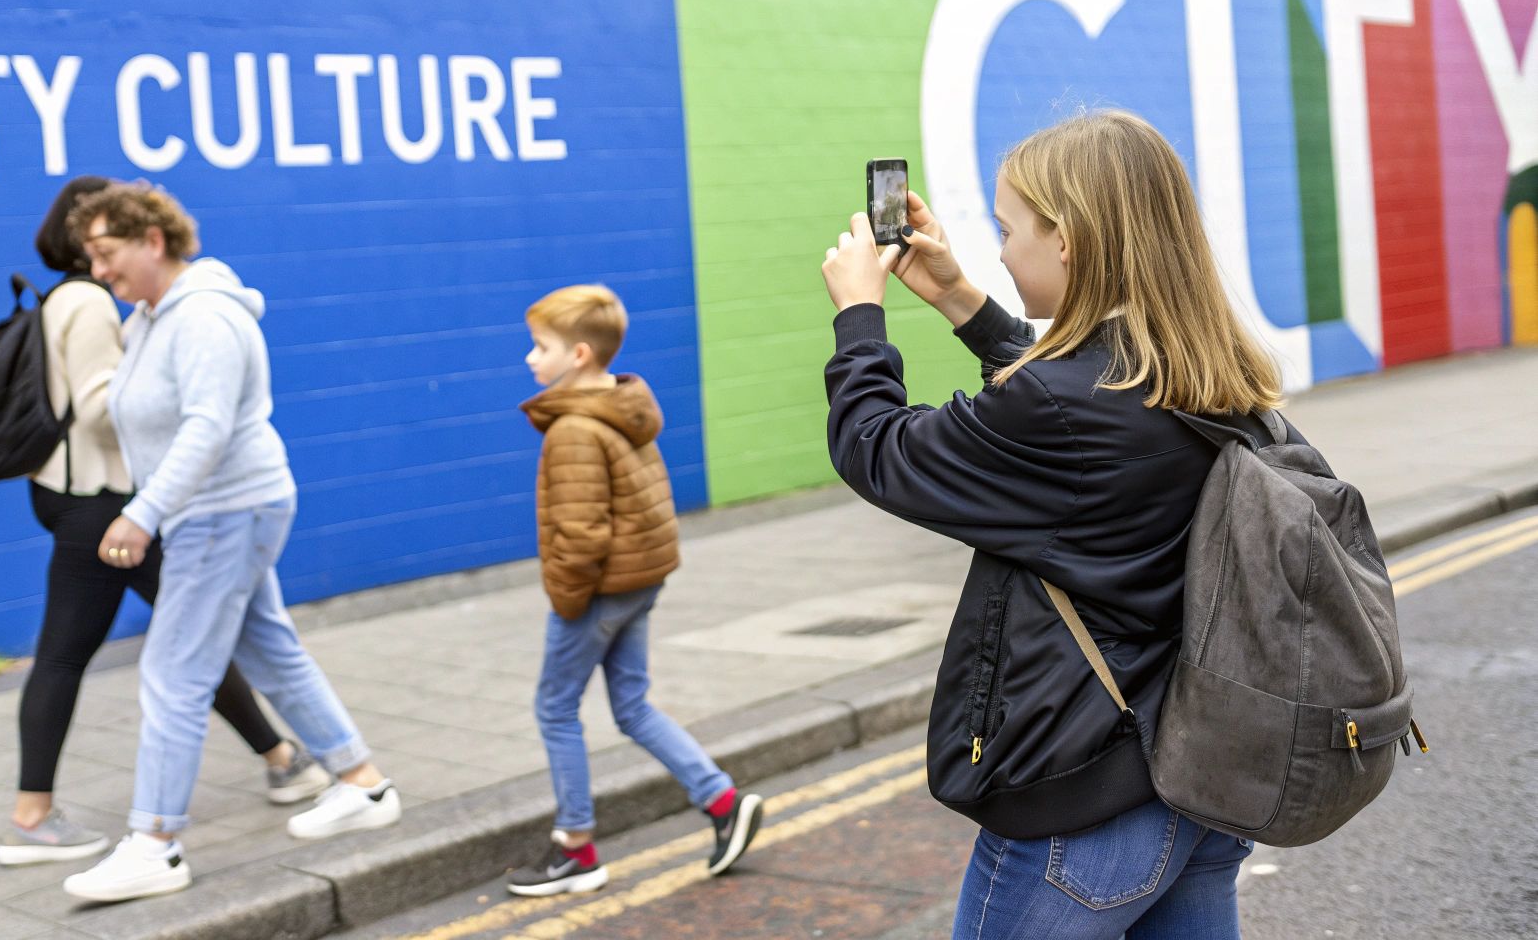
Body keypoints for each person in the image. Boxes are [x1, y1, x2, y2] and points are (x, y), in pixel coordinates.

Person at [820, 111, 1289, 938]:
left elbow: (878, 451)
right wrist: (962, 300)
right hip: (1201, 779)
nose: (999, 251)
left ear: (1066, 239)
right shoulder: (1208, 368)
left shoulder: (1061, 406)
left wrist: (860, 313)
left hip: (1087, 809)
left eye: (1008, 229)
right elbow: (1077, 403)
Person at [58, 182, 399, 903]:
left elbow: (207, 428)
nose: (99, 272)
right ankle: (362, 784)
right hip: (218, 511)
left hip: (224, 509)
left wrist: (140, 513)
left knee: (174, 673)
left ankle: (155, 842)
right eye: (90, 258)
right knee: (270, 650)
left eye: (107, 253)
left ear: (153, 240)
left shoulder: (204, 316)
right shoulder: (152, 317)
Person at [1, 177, 329, 867]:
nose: (103, 263)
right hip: (108, 500)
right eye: (95, 244)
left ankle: (283, 758)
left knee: (200, 637)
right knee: (184, 650)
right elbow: (100, 408)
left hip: (92, 496)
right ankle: (124, 827)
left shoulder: (65, 296)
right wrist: (155, 399)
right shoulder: (90, 303)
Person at [505, 285, 763, 898]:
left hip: (600, 591)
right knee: (631, 705)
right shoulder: (622, 406)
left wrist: (567, 602)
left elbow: (581, 534)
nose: (529, 358)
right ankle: (723, 802)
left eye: (540, 346)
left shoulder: (573, 427)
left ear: (580, 355)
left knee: (555, 708)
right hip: (638, 580)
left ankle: (576, 847)